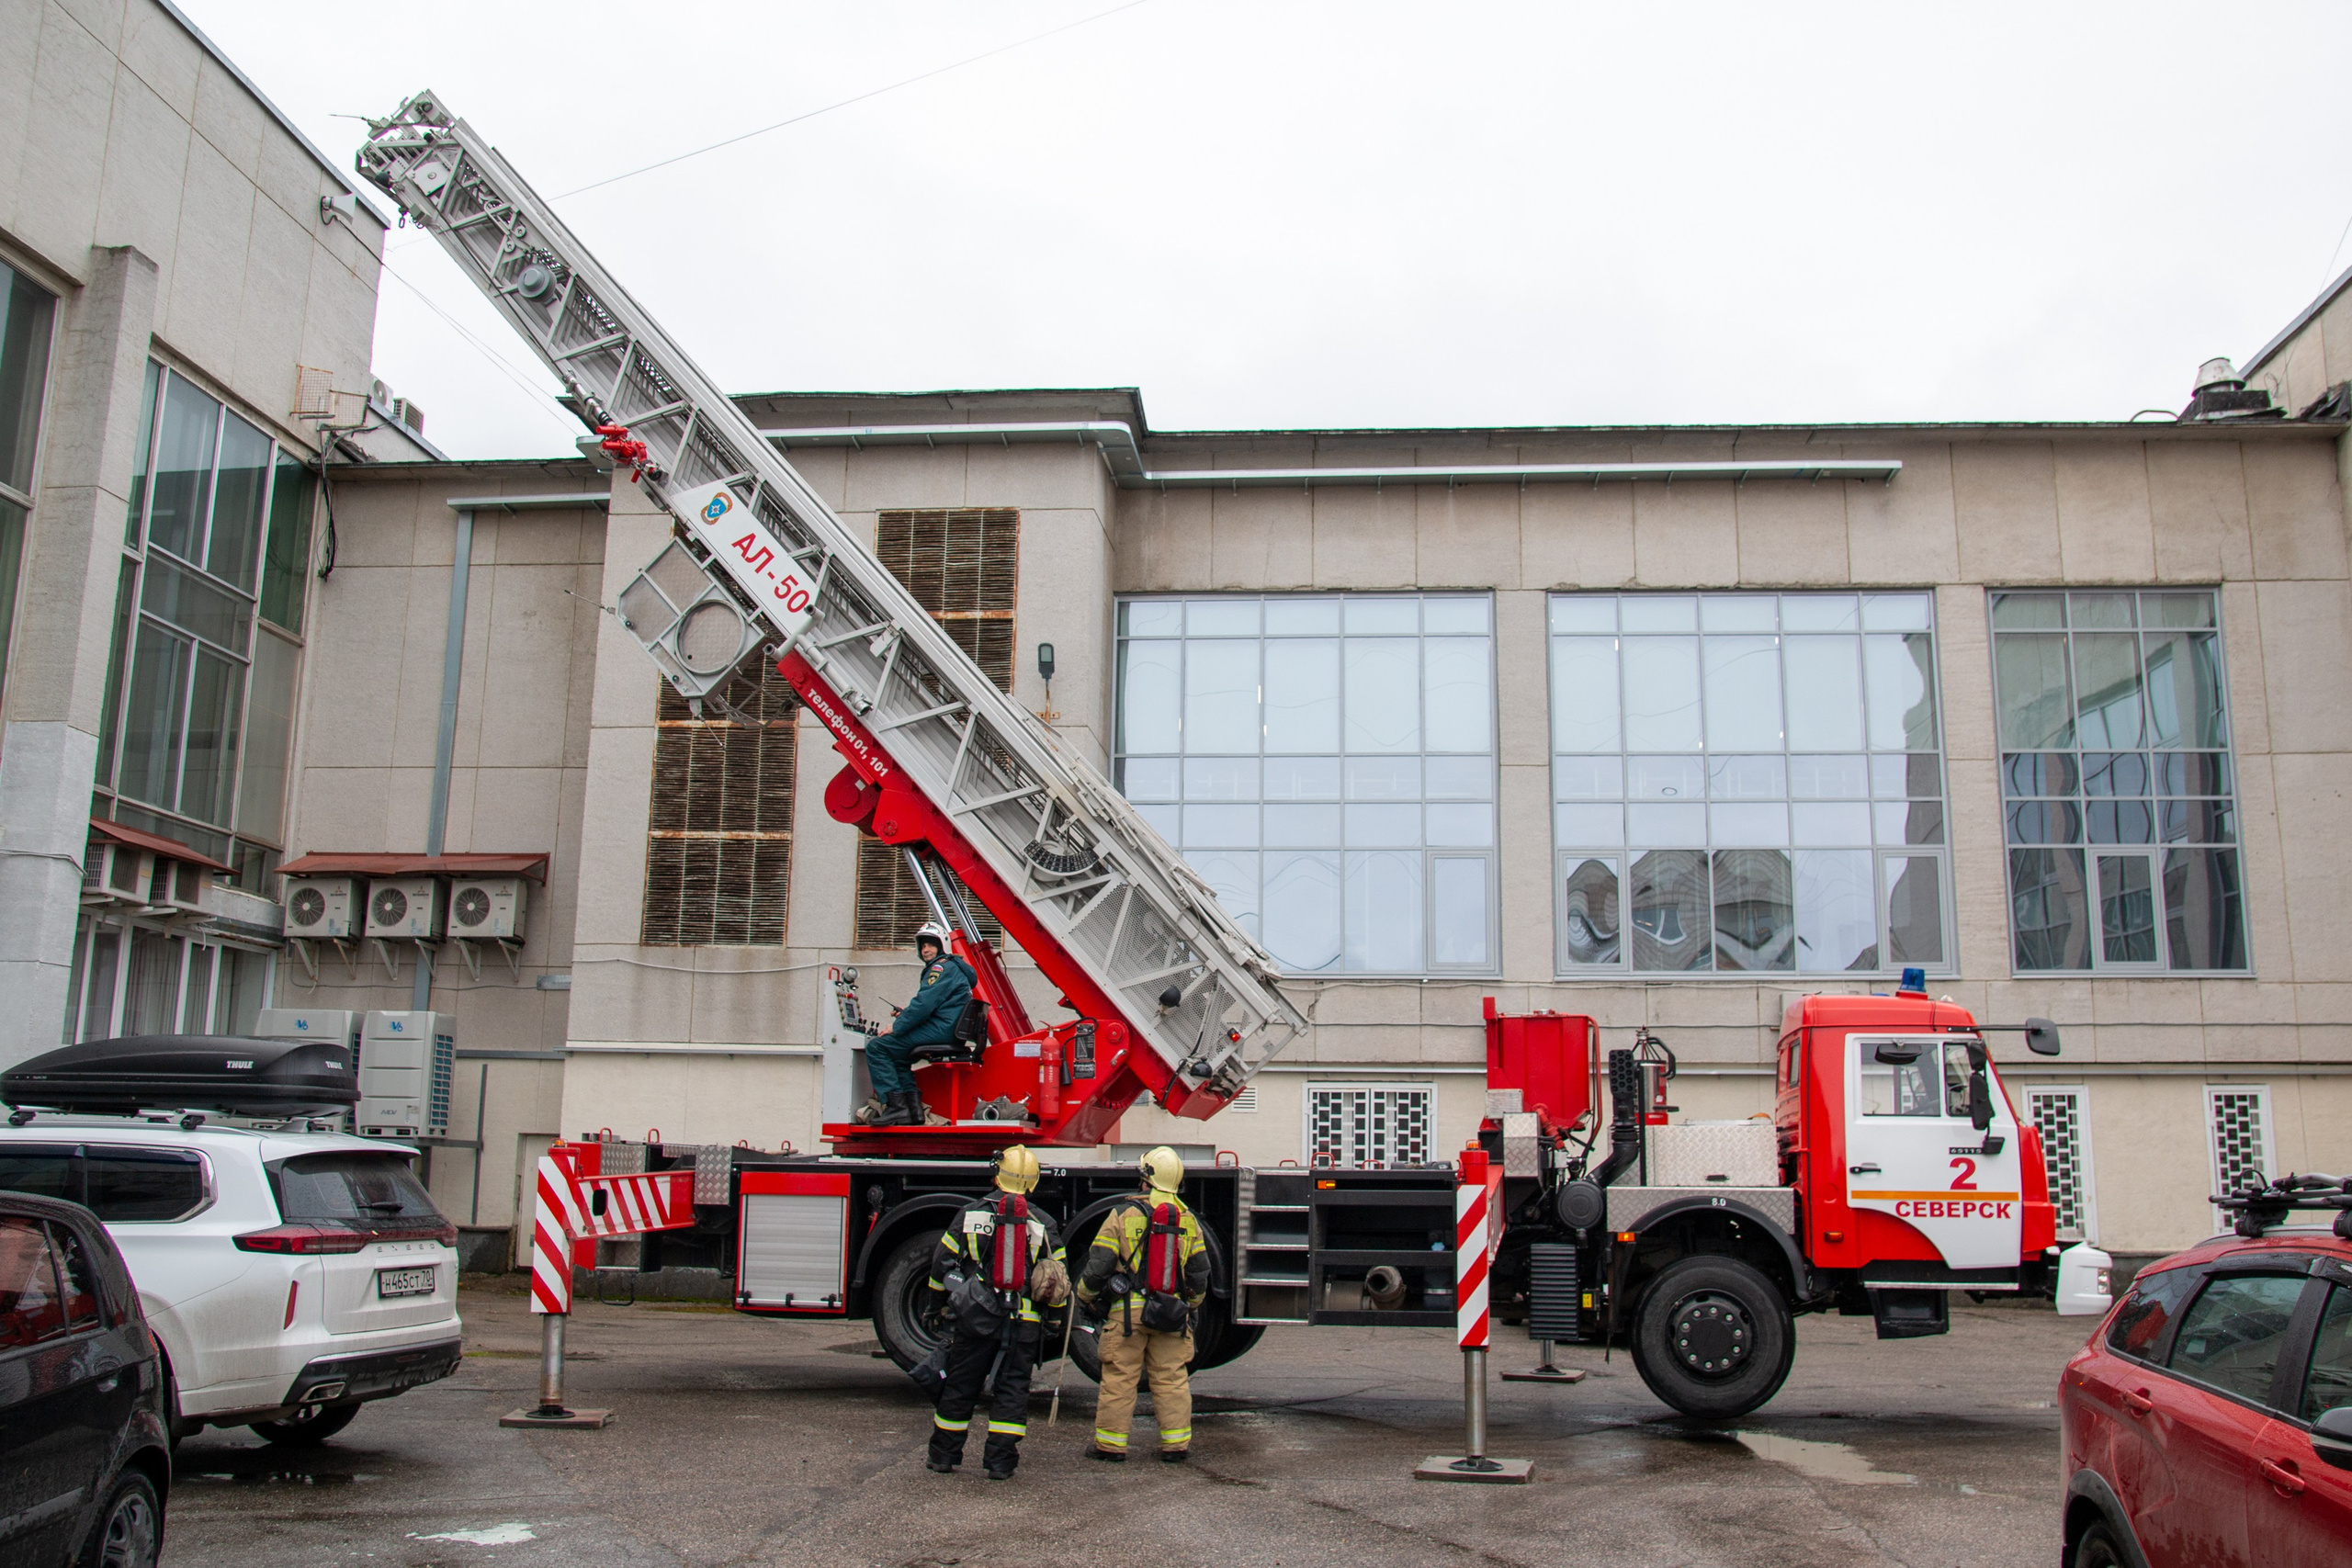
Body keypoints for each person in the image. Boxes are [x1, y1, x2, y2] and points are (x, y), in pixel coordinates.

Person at [926, 1145, 1067, 1479]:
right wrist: (1055, 1320)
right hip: (1023, 1322)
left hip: (975, 1319)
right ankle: (1000, 1464)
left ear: (997, 1175)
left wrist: (935, 1307)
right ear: (1032, 1183)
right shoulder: (1043, 1224)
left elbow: (941, 1266)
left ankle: (944, 1456)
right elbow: (1057, 1280)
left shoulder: (970, 1214)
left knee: (961, 1385)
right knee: (1013, 1390)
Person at [1077, 1145, 1209, 1463]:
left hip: (1127, 1317)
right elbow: (1199, 1274)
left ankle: (1110, 1447)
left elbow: (1099, 1266)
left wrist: (1084, 1296)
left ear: (1145, 1179)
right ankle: (1175, 1447)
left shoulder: (1122, 1215)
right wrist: (1190, 1304)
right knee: (1172, 1379)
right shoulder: (1188, 1220)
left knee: (1120, 1378)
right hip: (1171, 1316)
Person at [857, 921, 973, 1127]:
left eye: (930, 945)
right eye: (923, 946)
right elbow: (931, 1006)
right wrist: (905, 1014)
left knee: (877, 1047)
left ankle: (895, 1108)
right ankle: (913, 1111)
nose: (926, 950)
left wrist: (897, 1025)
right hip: (946, 1028)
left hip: (941, 1030)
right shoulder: (953, 968)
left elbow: (923, 1005)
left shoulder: (940, 968)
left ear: (942, 945)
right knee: (899, 1057)